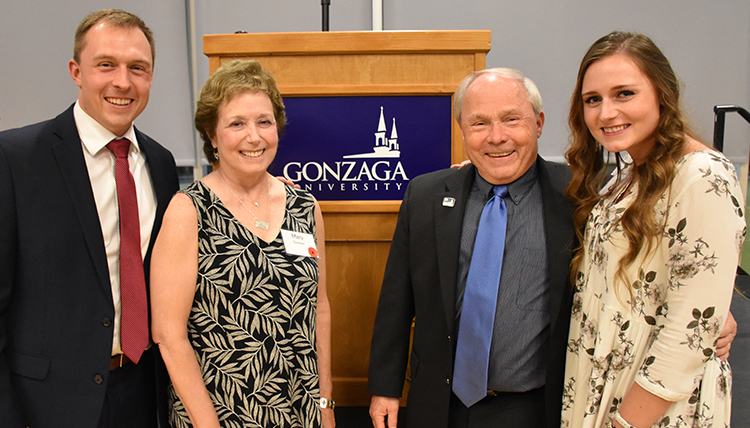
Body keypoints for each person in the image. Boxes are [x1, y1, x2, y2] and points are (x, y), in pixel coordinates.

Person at [368, 68, 577, 428]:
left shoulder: (578, 197)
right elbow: (396, 301)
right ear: (462, 130)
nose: (497, 137)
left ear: (539, 123)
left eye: (511, 120)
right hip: (438, 405)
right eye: (479, 124)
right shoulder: (427, 196)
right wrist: (385, 388)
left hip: (533, 408)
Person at [0, 9, 179, 428]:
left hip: (144, 391)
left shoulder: (161, 163)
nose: (123, 81)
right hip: (46, 404)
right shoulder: (15, 160)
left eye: (138, 68)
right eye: (106, 65)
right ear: (76, 71)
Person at [561, 31, 745, 428]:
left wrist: (627, 422)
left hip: (651, 405)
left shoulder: (702, 175)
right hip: (602, 382)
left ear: (662, 93)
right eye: (593, 99)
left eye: (624, 93)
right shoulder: (626, 175)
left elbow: (688, 328)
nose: (606, 113)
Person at [150, 59, 335, 428]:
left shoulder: (305, 206)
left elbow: (320, 311)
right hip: (218, 414)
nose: (254, 136)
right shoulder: (188, 211)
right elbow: (169, 336)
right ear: (212, 136)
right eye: (237, 123)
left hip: (299, 411)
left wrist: (325, 404)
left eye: (264, 122)